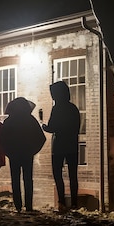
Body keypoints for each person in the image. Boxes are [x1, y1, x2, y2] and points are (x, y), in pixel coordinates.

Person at [0, 96, 46, 212]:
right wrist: (33, 151)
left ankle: (18, 205)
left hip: (14, 154)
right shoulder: (30, 120)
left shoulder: (9, 121)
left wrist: (8, 152)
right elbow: (41, 138)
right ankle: (28, 206)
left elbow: (1, 140)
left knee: (15, 179)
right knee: (28, 180)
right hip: (27, 154)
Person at [42, 81, 81, 211]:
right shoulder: (73, 108)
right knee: (73, 175)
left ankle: (62, 202)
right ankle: (74, 203)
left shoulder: (57, 108)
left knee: (58, 174)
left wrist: (43, 126)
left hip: (59, 146)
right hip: (72, 145)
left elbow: (52, 127)